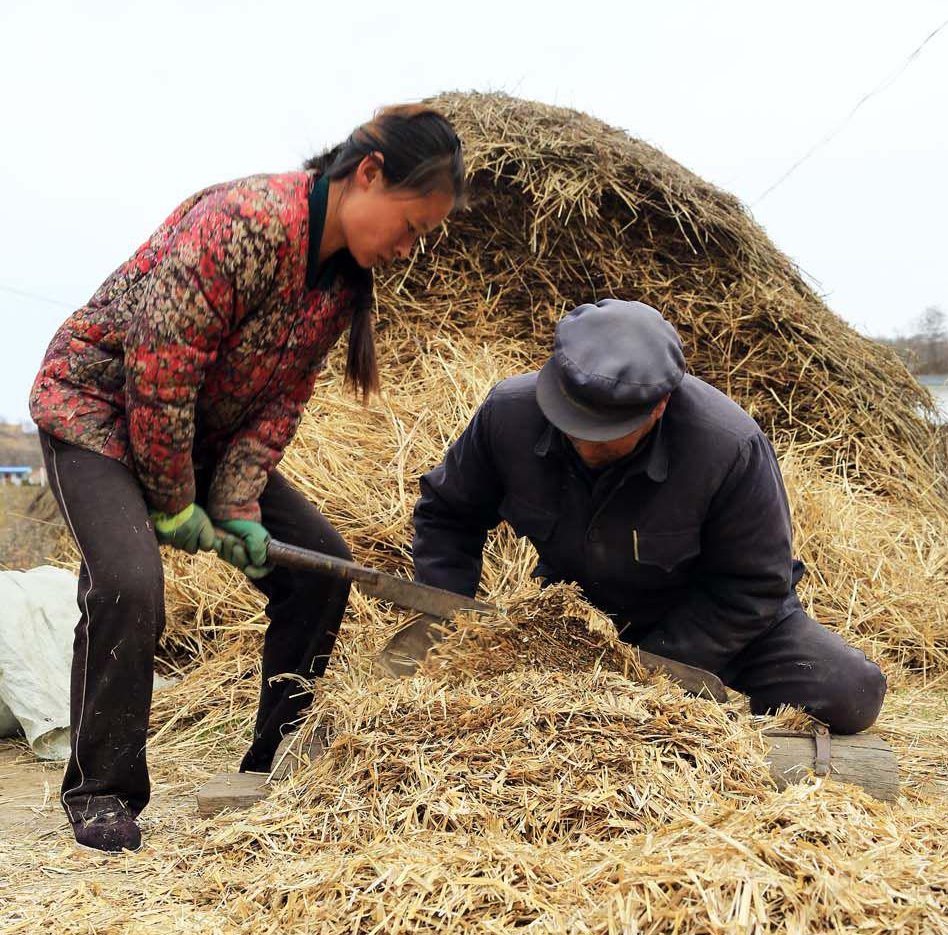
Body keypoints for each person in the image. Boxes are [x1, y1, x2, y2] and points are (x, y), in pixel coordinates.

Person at [30, 104, 465, 853]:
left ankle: (272, 759)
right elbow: (162, 369)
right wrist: (173, 506)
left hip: (197, 435)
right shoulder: (246, 221)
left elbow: (279, 404)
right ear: (369, 175)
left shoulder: (337, 285)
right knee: (130, 584)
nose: (408, 248)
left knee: (318, 569)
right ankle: (101, 788)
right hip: (98, 410)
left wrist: (236, 505)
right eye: (412, 225)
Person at [410, 299, 886, 733]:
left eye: (607, 432)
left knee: (851, 692)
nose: (585, 444)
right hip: (582, 623)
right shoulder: (507, 413)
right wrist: (450, 625)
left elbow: (752, 586)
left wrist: (648, 675)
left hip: (712, 628)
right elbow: (448, 513)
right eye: (574, 423)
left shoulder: (728, 446)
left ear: (659, 406)